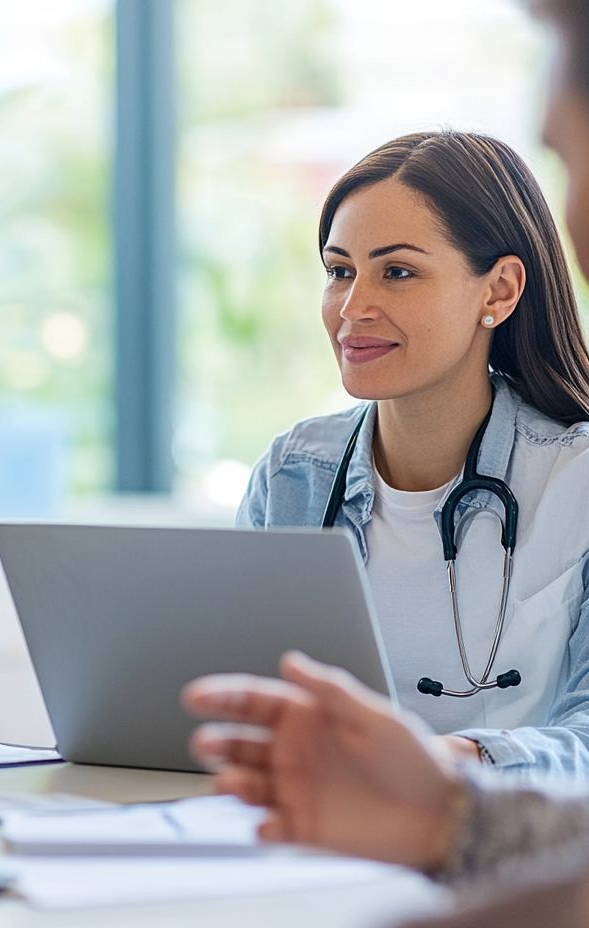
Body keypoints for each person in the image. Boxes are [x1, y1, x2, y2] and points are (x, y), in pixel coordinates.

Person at [237, 127, 589, 780]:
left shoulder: (578, 479)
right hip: (320, 845)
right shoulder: (294, 476)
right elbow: (245, 696)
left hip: (514, 857)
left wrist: (443, 766)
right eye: (340, 271)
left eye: (396, 272)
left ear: (500, 291)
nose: (352, 307)